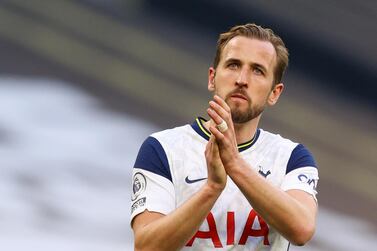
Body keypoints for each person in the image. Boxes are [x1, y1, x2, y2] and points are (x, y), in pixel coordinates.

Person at [130, 23, 319, 251]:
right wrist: (212, 189)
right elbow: (146, 247)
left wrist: (234, 164)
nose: (242, 79)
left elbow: (302, 229)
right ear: (212, 78)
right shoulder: (162, 148)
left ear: (274, 93)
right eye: (233, 65)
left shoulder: (291, 158)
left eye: (258, 70)